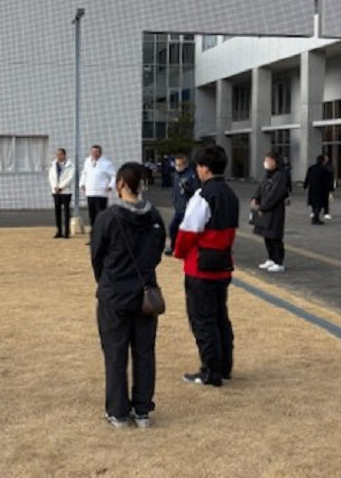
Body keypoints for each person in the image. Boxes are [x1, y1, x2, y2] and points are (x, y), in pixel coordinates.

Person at [91, 162, 166, 428]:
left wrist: (108, 280)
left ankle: (118, 411)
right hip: (145, 294)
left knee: (115, 353)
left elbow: (97, 256)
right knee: (144, 352)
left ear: (121, 183)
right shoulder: (154, 216)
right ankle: (142, 409)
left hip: (114, 294)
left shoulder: (107, 218)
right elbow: (157, 252)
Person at [174, 146, 239, 387]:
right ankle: (224, 366)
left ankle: (210, 371)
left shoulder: (202, 196)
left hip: (201, 266)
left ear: (204, 168)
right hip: (222, 263)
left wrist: (179, 253)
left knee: (203, 320)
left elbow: (188, 232)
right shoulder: (230, 194)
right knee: (220, 317)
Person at [251, 151, 289, 273]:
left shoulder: (281, 175)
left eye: (268, 160)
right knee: (267, 235)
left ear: (275, 161)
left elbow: (276, 194)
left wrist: (263, 207)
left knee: (275, 236)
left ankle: (279, 262)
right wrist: (255, 198)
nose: (266, 162)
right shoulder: (268, 174)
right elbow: (260, 188)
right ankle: (271, 258)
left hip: (275, 210)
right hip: (265, 209)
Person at [165, 153, 199, 256]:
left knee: (180, 229)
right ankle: (174, 247)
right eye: (176, 164)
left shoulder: (191, 175)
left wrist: (188, 188)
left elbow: (196, 191)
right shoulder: (176, 174)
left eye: (179, 165)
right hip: (179, 207)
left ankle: (186, 249)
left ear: (185, 165)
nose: (177, 167)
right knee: (174, 228)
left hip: (187, 208)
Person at [80, 145, 115, 243]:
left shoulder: (106, 163)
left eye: (96, 152)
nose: (94, 154)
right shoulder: (87, 162)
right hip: (90, 192)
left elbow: (113, 176)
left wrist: (110, 185)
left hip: (101, 193)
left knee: (101, 216)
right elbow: (84, 174)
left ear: (100, 153)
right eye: (93, 152)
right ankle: (93, 238)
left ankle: (103, 238)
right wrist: (82, 184)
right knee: (92, 216)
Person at [48, 148, 74, 238]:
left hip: (66, 192)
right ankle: (59, 231)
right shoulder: (53, 165)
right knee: (57, 212)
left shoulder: (70, 165)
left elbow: (70, 178)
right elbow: (51, 177)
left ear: (64, 155)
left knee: (66, 213)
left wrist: (61, 187)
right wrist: (54, 187)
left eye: (60, 155)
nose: (58, 156)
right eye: (57, 155)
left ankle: (66, 232)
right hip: (56, 192)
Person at [303, 155, 329, 225]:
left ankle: (315, 217)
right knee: (318, 205)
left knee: (314, 204)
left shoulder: (311, 168)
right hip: (321, 189)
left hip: (312, 188)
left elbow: (307, 178)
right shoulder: (324, 169)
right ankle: (315, 218)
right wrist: (329, 188)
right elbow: (327, 180)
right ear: (323, 161)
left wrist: (305, 186)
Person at [322, 155, 335, 220]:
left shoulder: (329, 166)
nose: (326, 159)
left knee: (326, 200)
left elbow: (331, 176)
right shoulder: (321, 166)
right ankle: (316, 211)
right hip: (321, 185)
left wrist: (331, 187)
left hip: (326, 185)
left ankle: (326, 212)